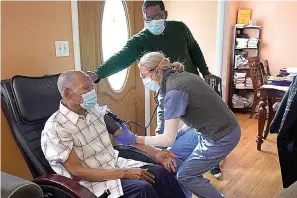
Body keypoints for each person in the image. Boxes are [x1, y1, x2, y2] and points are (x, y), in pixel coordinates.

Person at [87, 0, 222, 178]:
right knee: (166, 138)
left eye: (156, 17)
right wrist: (98, 74)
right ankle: (168, 174)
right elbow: (121, 58)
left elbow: (194, 49)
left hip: (191, 91)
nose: (152, 22)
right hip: (167, 96)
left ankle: (212, 163)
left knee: (202, 130)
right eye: (148, 19)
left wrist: (205, 72)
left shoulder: (180, 29)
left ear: (165, 15)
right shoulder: (141, 40)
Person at [41, 70, 187, 198]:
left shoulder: (95, 110)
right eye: (86, 88)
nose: (93, 92)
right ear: (68, 93)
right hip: (91, 182)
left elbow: (125, 137)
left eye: (92, 86)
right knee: (142, 189)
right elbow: (76, 172)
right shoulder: (56, 128)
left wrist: (156, 153)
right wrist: (124, 173)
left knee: (162, 174)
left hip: (115, 165)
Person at [115, 52, 241, 198]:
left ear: (157, 71)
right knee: (172, 157)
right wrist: (178, 135)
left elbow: (167, 139)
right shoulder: (181, 76)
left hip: (222, 135)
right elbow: (197, 115)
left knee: (186, 176)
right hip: (209, 128)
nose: (144, 80)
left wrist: (134, 139)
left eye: (144, 76)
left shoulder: (174, 91)